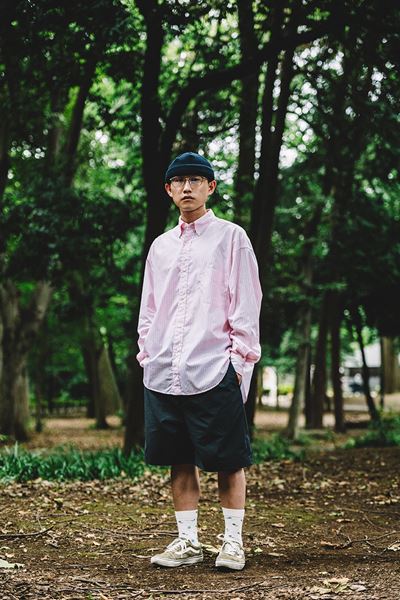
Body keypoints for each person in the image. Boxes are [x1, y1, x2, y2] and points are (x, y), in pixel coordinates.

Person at [136, 152, 262, 570]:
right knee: (179, 458)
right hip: (164, 371)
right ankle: (188, 542)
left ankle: (232, 542)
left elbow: (246, 304)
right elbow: (150, 307)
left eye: (196, 179)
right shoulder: (160, 247)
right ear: (168, 189)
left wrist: (238, 364)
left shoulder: (231, 238)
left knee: (229, 459)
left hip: (214, 367)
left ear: (211, 187)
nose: (187, 187)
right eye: (179, 180)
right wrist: (147, 354)